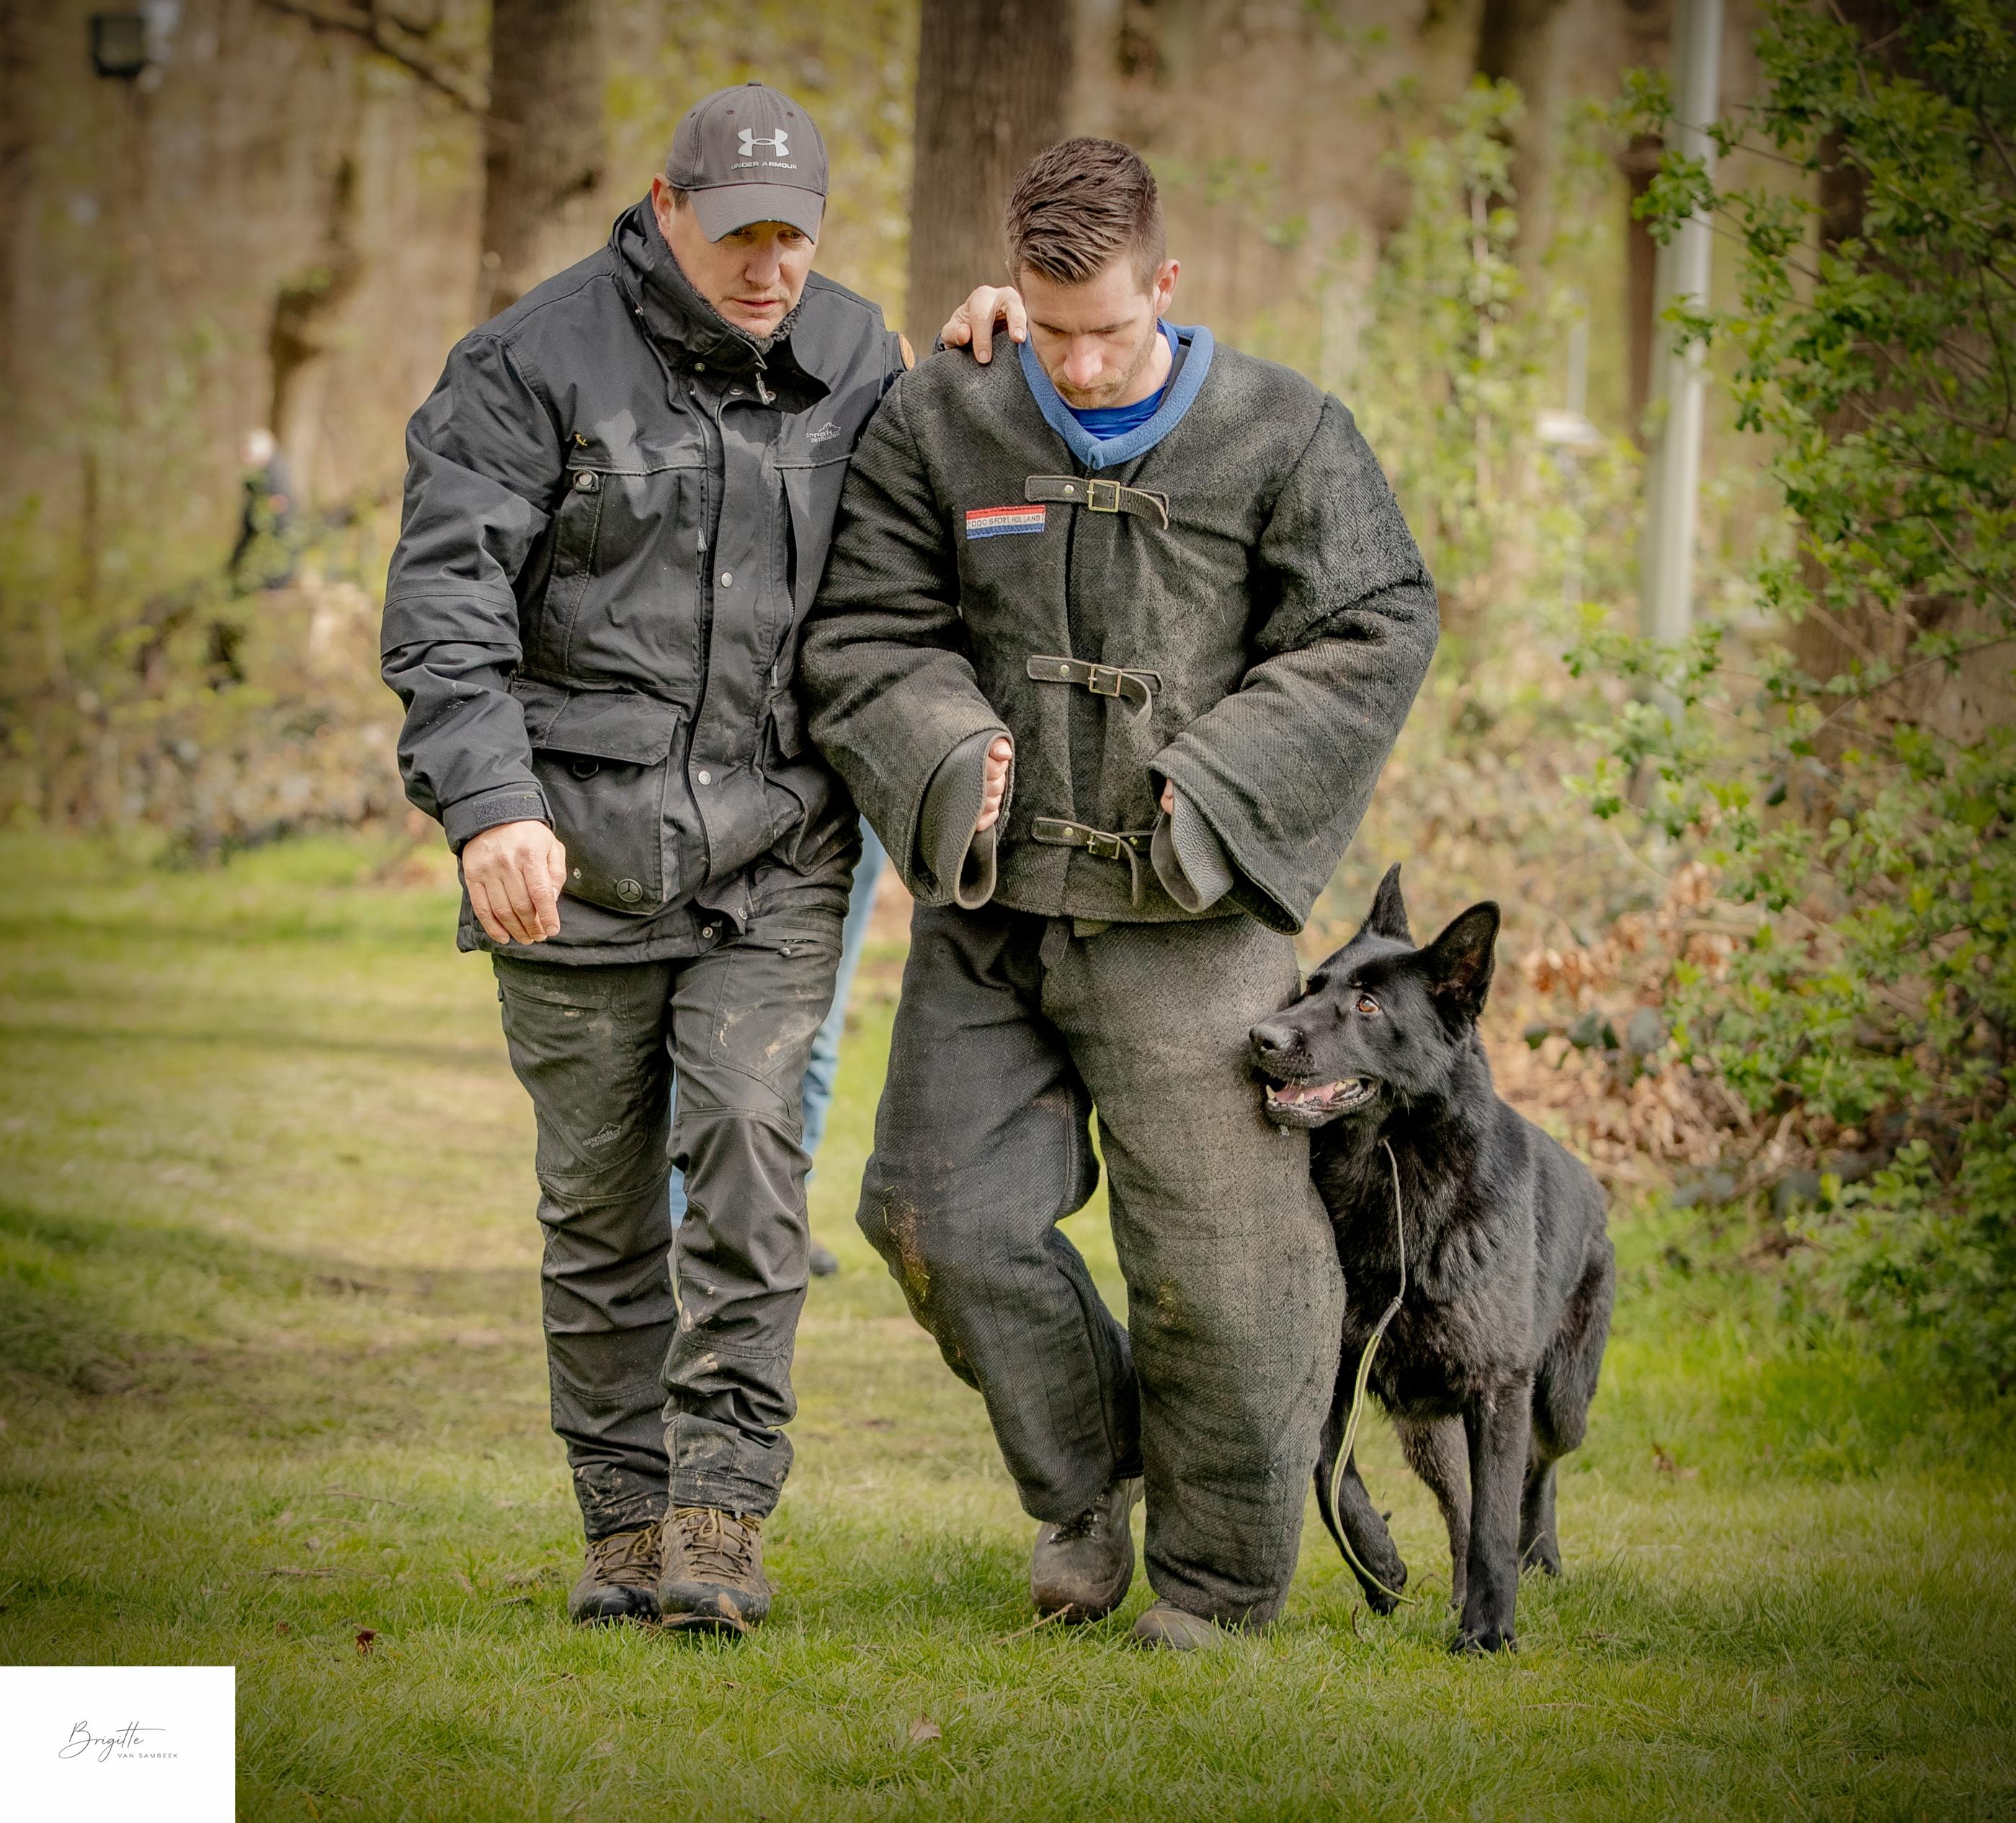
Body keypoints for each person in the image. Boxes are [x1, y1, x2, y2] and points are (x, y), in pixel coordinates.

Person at [381, 81, 1014, 1637]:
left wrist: (997, 356)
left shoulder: (860, 357)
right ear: (665, 209)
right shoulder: (527, 364)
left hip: (774, 849)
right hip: (571, 854)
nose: (770, 268)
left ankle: (721, 1512)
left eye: (796, 236)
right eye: (739, 235)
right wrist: (489, 806)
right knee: (599, 1205)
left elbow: (957, 502)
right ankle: (622, 1519)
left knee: (744, 1143)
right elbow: (447, 607)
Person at [800, 138, 1439, 1649]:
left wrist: (1216, 783)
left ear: (1167, 282)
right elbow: (865, 626)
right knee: (936, 1220)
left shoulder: (1285, 431)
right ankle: (1091, 1483)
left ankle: (1213, 1584)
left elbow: (1376, 619)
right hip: (992, 912)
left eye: (1105, 328)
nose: (1078, 365)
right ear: (1010, 293)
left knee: (1223, 1273)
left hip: (1194, 918)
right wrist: (944, 750)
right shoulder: (944, 413)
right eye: (1050, 328)